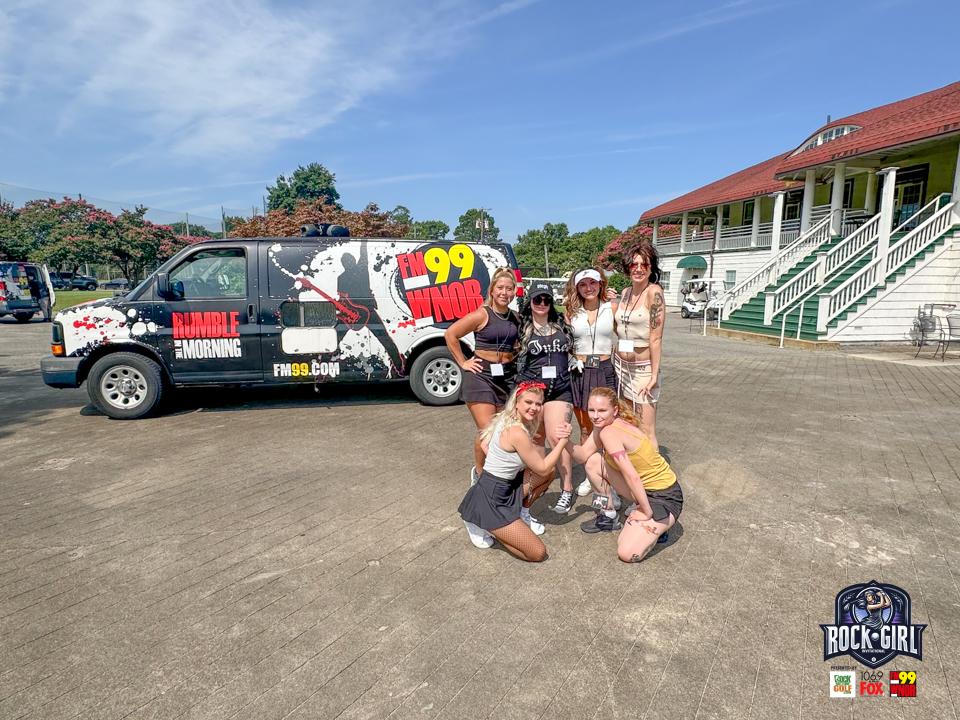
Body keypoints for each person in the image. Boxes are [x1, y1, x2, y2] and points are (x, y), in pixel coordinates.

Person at [458, 382, 572, 561]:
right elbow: (542, 467)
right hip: (491, 498)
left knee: (549, 473)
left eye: (538, 404)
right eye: (529, 402)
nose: (534, 408)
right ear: (516, 402)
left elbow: (485, 443)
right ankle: (481, 522)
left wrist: (504, 461)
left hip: (506, 486)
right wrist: (563, 441)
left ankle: (518, 516)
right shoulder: (517, 432)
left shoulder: (505, 418)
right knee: (537, 553)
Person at [570, 387, 682, 563]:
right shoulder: (604, 426)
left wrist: (646, 511)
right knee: (593, 461)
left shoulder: (609, 433)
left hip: (664, 495)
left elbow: (632, 476)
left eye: (602, 410)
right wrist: (563, 440)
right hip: (643, 490)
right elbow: (583, 455)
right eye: (591, 410)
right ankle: (607, 515)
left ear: (615, 410)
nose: (595, 416)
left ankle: (659, 526)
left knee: (626, 553)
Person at [444, 268, 520, 482]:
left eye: (509, 288)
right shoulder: (482, 314)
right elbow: (451, 334)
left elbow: (518, 344)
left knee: (502, 430)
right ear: (492, 290)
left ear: (514, 292)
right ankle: (480, 474)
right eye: (500, 288)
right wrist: (463, 362)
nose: (504, 292)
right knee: (488, 432)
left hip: (506, 378)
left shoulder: (515, 317)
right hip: (481, 377)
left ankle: (498, 475)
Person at [514, 281, 579, 516]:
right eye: (537, 299)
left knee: (557, 436)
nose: (542, 303)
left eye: (546, 299)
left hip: (560, 388)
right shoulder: (522, 326)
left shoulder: (562, 323)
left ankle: (567, 488)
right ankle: (539, 481)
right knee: (537, 437)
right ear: (530, 301)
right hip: (533, 391)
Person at [563, 267, 619, 497]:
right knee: (586, 426)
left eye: (593, 283)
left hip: (604, 370)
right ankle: (591, 474)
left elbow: (628, 333)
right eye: (583, 284)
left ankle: (610, 477)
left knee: (607, 426)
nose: (589, 288)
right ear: (577, 287)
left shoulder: (612, 307)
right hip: (580, 371)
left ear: (601, 284)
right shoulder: (570, 311)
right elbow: (566, 342)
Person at [613, 243, 665, 450]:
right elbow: (620, 326)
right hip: (621, 368)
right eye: (634, 264)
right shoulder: (625, 292)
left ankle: (655, 470)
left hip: (643, 371)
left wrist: (653, 376)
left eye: (645, 264)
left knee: (646, 429)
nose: (639, 268)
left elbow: (656, 339)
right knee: (628, 423)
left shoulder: (654, 293)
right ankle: (632, 465)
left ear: (652, 268)